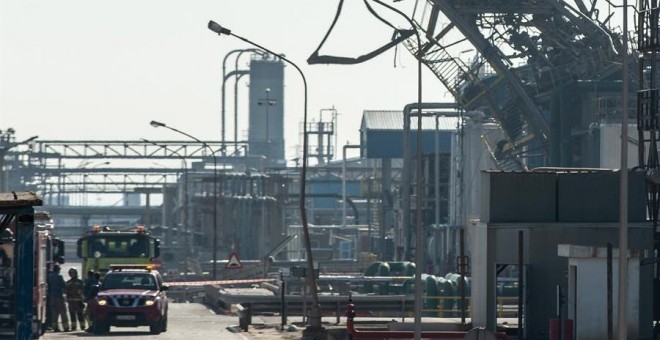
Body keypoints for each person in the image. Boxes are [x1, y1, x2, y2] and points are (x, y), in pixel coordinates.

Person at [47, 265, 69, 332]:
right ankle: (66, 327)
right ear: (58, 270)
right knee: (63, 312)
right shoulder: (59, 277)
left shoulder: (49, 277)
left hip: (52, 297)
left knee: (54, 313)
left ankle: (55, 327)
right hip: (59, 297)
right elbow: (64, 285)